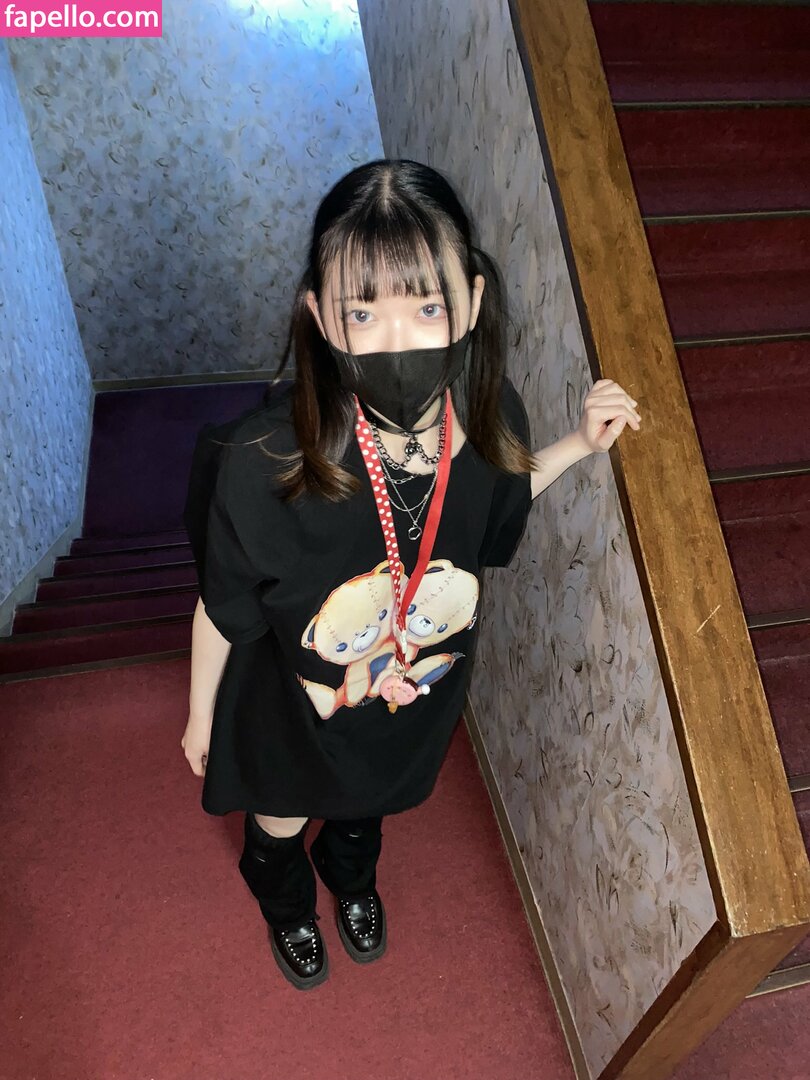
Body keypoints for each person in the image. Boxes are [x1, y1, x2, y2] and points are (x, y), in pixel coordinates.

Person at [180, 158, 642, 991]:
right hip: (290, 707)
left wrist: (578, 445)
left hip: (407, 698)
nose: (399, 343)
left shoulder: (492, 415)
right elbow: (222, 606)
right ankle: (288, 906)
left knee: (367, 810)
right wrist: (199, 714)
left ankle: (351, 878)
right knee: (279, 824)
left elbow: (490, 508)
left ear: (472, 300)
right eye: (364, 313)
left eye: (427, 307)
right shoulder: (261, 460)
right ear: (319, 316)